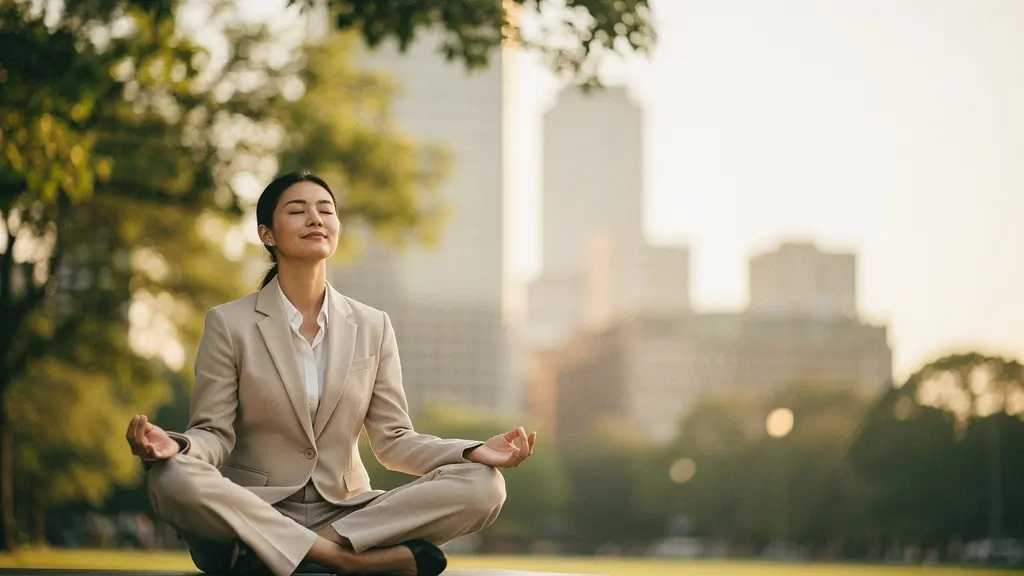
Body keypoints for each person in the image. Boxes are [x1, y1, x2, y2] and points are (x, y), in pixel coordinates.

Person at [126, 172, 536, 576]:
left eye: (325, 210)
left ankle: (293, 551)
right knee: (171, 477)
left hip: (347, 514)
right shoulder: (229, 323)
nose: (315, 219)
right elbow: (214, 434)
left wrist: (471, 451)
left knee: (485, 485)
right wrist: (177, 446)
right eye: (297, 210)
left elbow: (394, 441)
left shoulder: (373, 325)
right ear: (267, 234)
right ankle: (344, 561)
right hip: (254, 507)